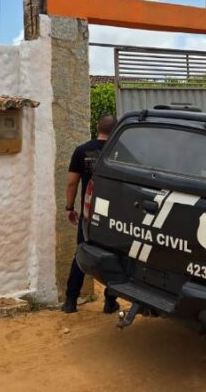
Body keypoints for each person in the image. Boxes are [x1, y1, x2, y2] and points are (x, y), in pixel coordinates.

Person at [61, 115, 120, 314]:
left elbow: (72, 183)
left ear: (97, 128)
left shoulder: (81, 151)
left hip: (89, 213)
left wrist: (70, 208)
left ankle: (70, 301)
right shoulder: (120, 152)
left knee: (81, 252)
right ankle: (110, 302)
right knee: (114, 257)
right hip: (113, 215)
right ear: (115, 130)